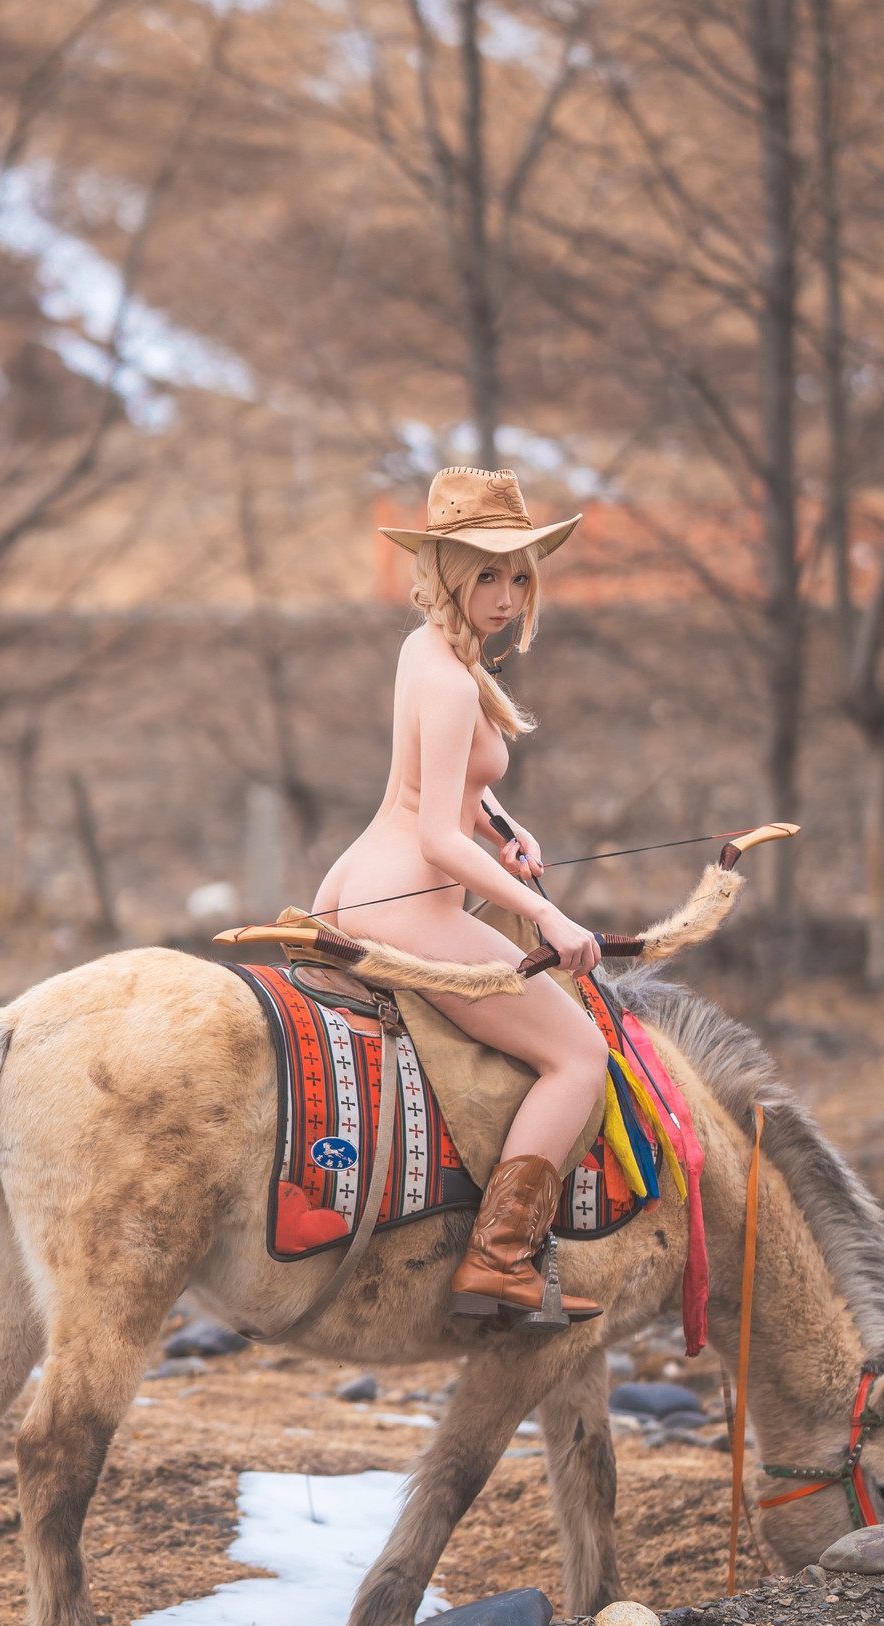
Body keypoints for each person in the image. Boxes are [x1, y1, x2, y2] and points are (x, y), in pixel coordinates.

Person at [313, 466, 608, 1323]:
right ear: (445, 570)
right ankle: (500, 1256)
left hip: (357, 884)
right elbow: (438, 833)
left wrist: (504, 828)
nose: (508, 593)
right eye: (486, 573)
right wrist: (549, 914)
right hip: (412, 900)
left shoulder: (427, 650)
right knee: (579, 1054)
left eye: (519, 574)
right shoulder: (449, 680)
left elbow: (437, 790)